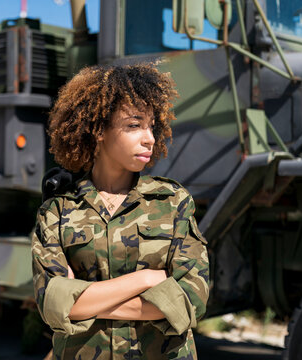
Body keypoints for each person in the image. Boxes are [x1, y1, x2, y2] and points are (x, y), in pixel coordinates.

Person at [31, 63, 209, 359]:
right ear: (99, 130)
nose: (149, 138)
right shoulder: (58, 212)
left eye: (152, 125)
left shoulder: (174, 203)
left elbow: (188, 303)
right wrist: (146, 280)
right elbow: (53, 305)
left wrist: (84, 300)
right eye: (134, 125)